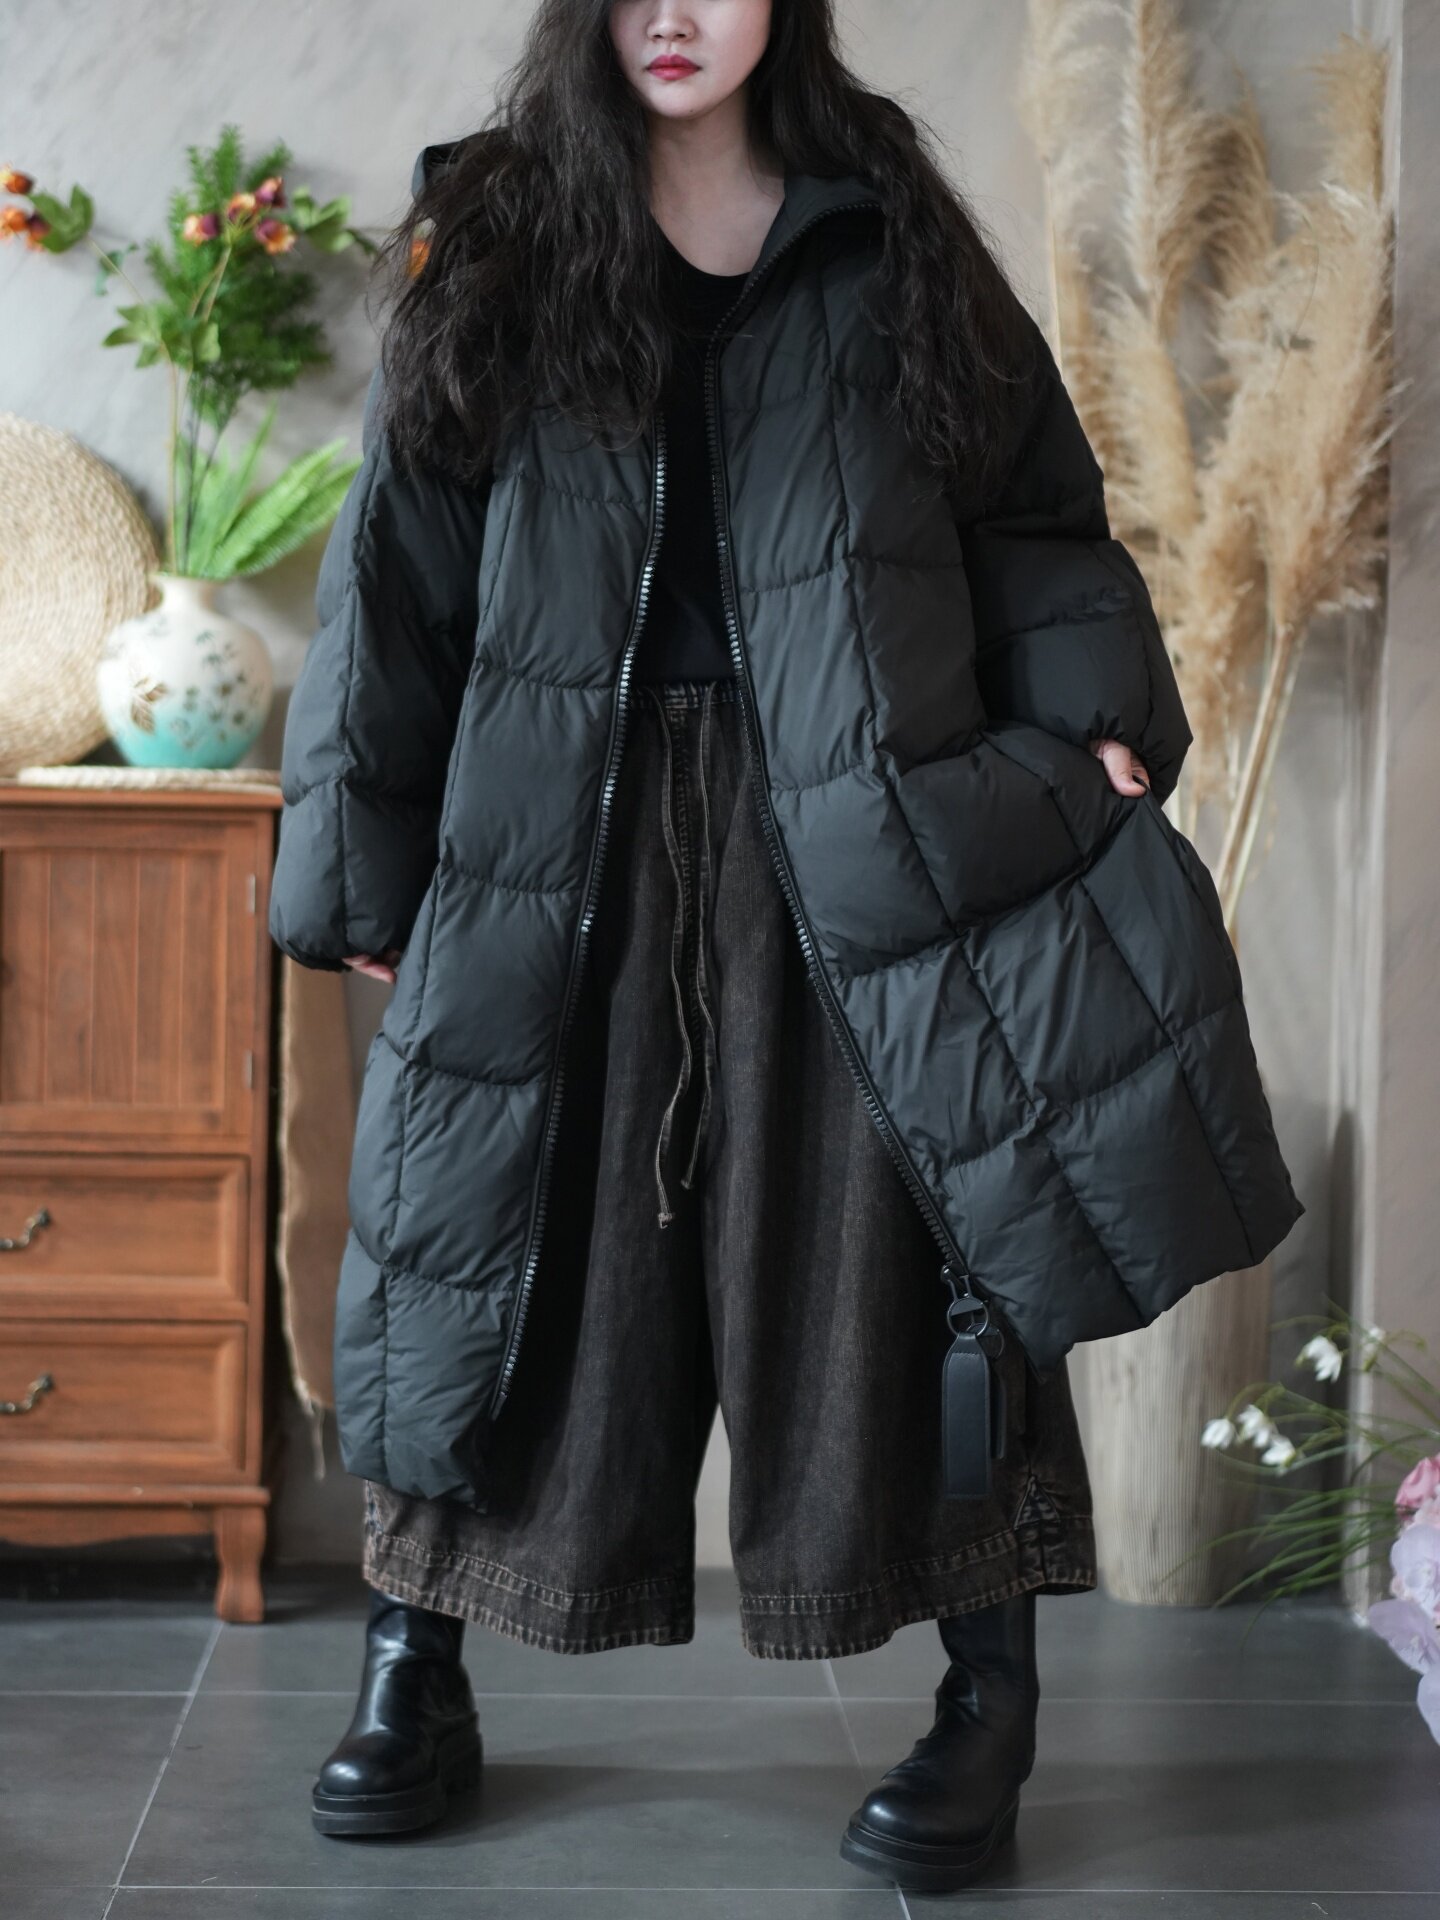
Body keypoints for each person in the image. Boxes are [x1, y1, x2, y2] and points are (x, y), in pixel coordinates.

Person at [269, 0, 1302, 1895]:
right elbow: (394, 568)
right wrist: (367, 871)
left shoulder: (886, 222)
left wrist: (1090, 717)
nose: (674, 12)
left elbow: (1029, 509)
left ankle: (987, 1698)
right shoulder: (493, 229)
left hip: (859, 831)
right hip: (554, 834)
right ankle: (415, 1666)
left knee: (918, 1255)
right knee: (497, 1234)